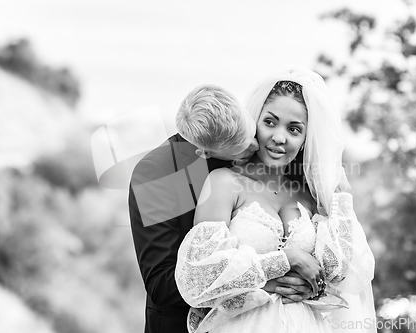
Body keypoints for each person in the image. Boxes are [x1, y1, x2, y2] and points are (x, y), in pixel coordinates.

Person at [174, 68, 376, 333]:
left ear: (305, 139)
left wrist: (339, 200)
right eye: (270, 122)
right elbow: (198, 280)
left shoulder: (311, 196)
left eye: (294, 129)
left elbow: (344, 274)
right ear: (254, 121)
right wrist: (284, 261)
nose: (280, 138)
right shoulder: (223, 183)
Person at [129, 84, 307, 333]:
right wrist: (268, 278)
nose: (255, 147)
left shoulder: (235, 134)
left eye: (252, 132)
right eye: (243, 147)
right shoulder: (156, 174)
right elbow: (162, 284)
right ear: (205, 151)